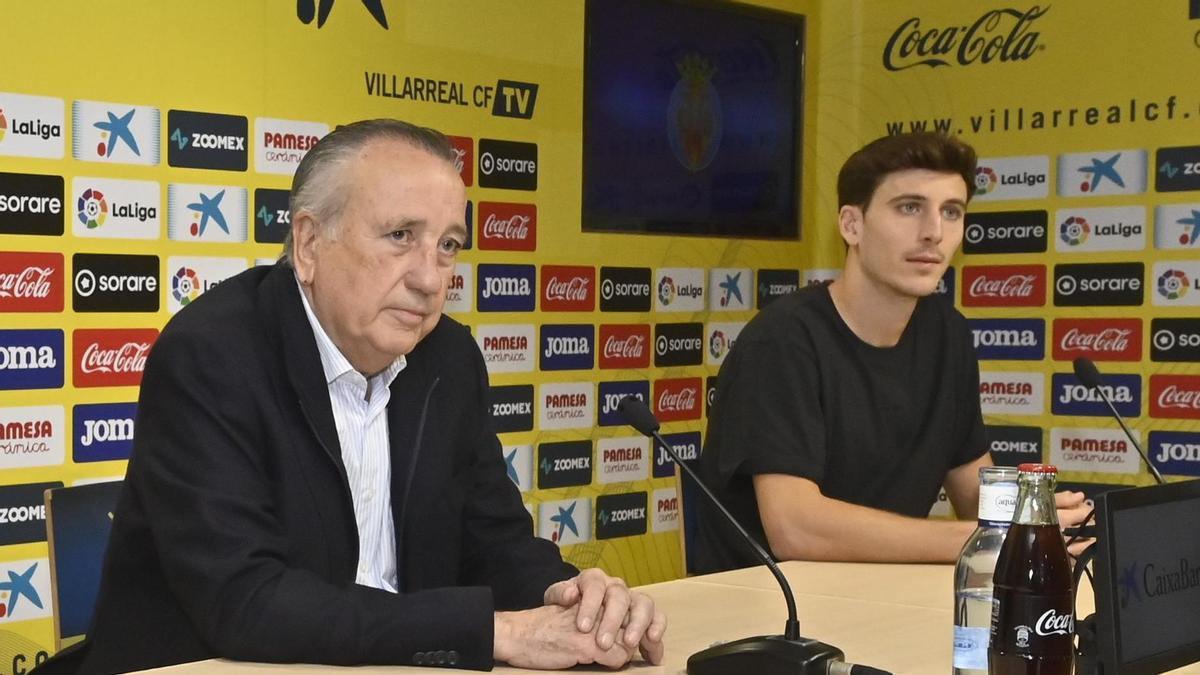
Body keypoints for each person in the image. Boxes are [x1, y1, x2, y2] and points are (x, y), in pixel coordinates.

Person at [36, 119, 665, 674]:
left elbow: (493, 542)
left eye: (447, 245)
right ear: (309, 245)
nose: (428, 278)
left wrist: (571, 600)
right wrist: (491, 631)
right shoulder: (211, 354)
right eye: (399, 236)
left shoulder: (448, 357)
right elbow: (247, 601)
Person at [692, 132, 1090, 573]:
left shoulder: (948, 333)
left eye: (951, 212)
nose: (933, 233)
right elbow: (796, 529)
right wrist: (986, 537)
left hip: (885, 598)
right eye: (909, 208)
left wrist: (1041, 519)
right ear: (851, 225)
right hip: (770, 615)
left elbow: (972, 492)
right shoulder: (782, 342)